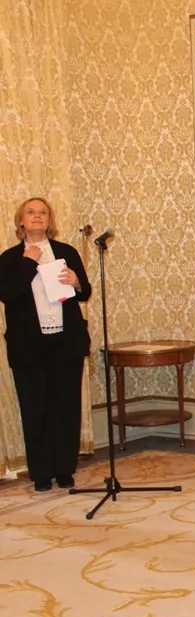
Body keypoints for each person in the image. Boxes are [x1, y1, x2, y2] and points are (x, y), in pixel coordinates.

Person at [0, 197, 92, 493]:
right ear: (21, 221)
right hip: (29, 346)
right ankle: (41, 472)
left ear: (50, 221)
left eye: (43, 212)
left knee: (66, 406)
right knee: (35, 408)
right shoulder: (9, 258)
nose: (37, 216)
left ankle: (64, 469)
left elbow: (85, 292)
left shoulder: (66, 252)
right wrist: (29, 261)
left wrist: (77, 282)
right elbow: (7, 294)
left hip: (66, 342)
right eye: (31, 212)